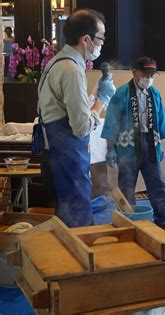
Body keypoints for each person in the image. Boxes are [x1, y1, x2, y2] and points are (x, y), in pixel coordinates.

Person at [37, 9, 115, 227]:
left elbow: (64, 108)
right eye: (101, 38)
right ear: (86, 39)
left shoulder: (57, 62)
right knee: (77, 226)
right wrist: (102, 101)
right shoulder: (72, 70)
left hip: (56, 155)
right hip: (66, 159)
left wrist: (90, 98)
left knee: (65, 223)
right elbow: (81, 127)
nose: (102, 44)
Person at [101, 57, 165, 235]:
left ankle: (162, 220)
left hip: (150, 144)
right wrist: (110, 148)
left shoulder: (155, 94)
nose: (149, 78)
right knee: (127, 186)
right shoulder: (121, 93)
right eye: (145, 74)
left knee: (157, 184)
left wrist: (160, 145)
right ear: (134, 72)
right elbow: (112, 121)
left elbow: (161, 120)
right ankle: (128, 221)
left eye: (152, 75)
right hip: (127, 147)